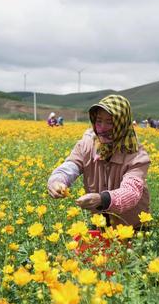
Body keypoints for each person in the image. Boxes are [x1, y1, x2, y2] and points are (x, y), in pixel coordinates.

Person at [47, 94, 150, 228]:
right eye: (99, 120)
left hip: (130, 226)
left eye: (110, 122)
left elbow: (131, 192)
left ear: (122, 123)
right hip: (99, 222)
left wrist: (103, 199)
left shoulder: (136, 155)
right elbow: (71, 166)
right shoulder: (87, 144)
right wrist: (57, 180)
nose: (102, 128)